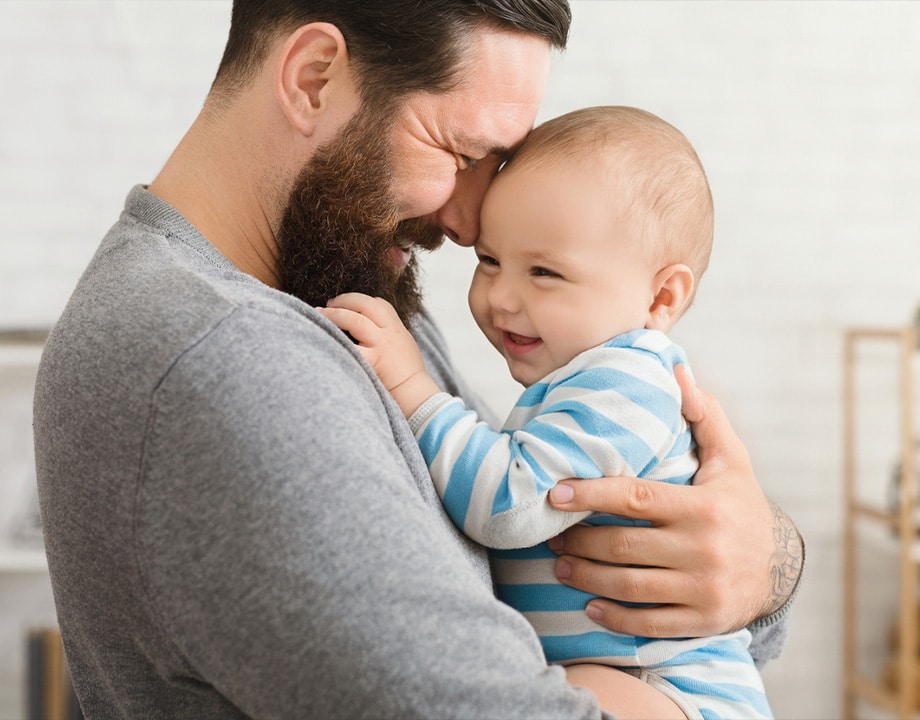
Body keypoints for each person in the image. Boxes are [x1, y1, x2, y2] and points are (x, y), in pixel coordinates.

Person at [31, 2, 802, 718]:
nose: (469, 223)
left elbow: (542, 524)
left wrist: (764, 562)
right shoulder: (224, 358)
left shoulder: (339, 286)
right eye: (462, 151)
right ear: (314, 79)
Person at [322, 105, 773, 719]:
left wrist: (411, 387)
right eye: (489, 261)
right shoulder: (581, 381)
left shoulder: (628, 380)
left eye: (544, 271)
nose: (502, 296)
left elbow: (510, 503)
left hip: (671, 689)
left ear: (661, 297)